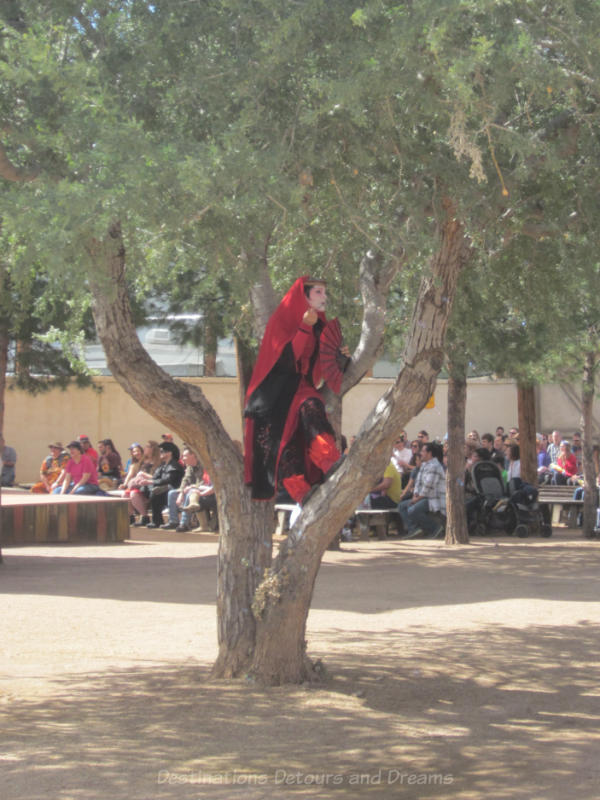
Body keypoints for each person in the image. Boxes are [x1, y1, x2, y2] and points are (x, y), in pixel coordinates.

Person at [243, 275, 349, 504]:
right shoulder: (281, 321)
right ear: (304, 295)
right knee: (283, 444)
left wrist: (341, 359)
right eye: (318, 292)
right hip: (274, 394)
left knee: (313, 408)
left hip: (301, 387)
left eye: (324, 292)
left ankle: (329, 461)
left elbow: (320, 363)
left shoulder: (320, 325)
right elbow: (285, 361)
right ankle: (301, 493)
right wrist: (304, 328)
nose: (324, 297)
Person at [398, 442, 446, 537]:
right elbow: (418, 483)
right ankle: (414, 530)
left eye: (423, 451)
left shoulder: (435, 466)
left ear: (430, 453)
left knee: (412, 509)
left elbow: (428, 487)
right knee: (402, 506)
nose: (420, 453)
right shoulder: (424, 465)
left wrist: (416, 499)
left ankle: (435, 528)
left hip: (434, 499)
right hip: (423, 497)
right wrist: (415, 494)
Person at [162, 446, 204, 531]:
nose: (183, 458)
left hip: (201, 491)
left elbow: (204, 482)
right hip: (190, 489)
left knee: (189, 493)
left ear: (193, 455)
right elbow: (185, 480)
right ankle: (173, 521)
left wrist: (192, 487)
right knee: (172, 493)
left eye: (185, 456)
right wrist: (181, 492)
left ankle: (184, 523)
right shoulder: (190, 467)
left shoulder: (203, 465)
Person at [146, 441, 184, 529]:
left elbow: (168, 479)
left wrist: (150, 482)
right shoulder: (163, 465)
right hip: (165, 489)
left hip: (173, 489)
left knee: (155, 493)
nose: (160, 453)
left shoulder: (175, 465)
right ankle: (156, 520)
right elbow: (155, 477)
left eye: (162, 451)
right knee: (151, 491)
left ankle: (166, 521)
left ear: (169, 453)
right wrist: (146, 481)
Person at [130, 440, 162, 525]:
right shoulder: (143, 461)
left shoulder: (159, 462)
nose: (145, 448)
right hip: (140, 485)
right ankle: (137, 516)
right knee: (126, 494)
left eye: (147, 446)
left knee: (133, 494)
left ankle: (145, 517)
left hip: (151, 485)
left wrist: (144, 476)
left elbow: (158, 478)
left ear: (153, 449)